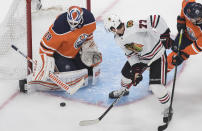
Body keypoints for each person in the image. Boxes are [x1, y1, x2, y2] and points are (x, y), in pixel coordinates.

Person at [104, 14, 174, 122]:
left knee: (156, 87)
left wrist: (165, 35)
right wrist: (136, 70)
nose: (120, 28)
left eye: (120, 25)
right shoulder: (118, 40)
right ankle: (124, 90)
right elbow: (131, 54)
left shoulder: (133, 26)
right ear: (112, 30)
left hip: (157, 56)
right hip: (142, 58)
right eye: (117, 28)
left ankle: (167, 109)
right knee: (125, 76)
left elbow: (156, 19)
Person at [23, 6, 102, 93]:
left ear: (81, 19)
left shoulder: (89, 19)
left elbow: (88, 35)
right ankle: (54, 68)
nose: (72, 26)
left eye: (75, 24)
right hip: (60, 55)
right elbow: (44, 46)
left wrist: (88, 47)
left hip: (75, 51)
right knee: (72, 76)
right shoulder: (59, 26)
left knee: (89, 70)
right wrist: (46, 62)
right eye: (70, 23)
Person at [167, 0, 202, 72]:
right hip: (186, 34)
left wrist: (184, 53)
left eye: (192, 19)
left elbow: (196, 47)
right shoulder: (188, 6)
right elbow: (184, 9)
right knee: (175, 51)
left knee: (177, 56)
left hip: (193, 42)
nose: (190, 20)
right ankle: (164, 69)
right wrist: (181, 21)